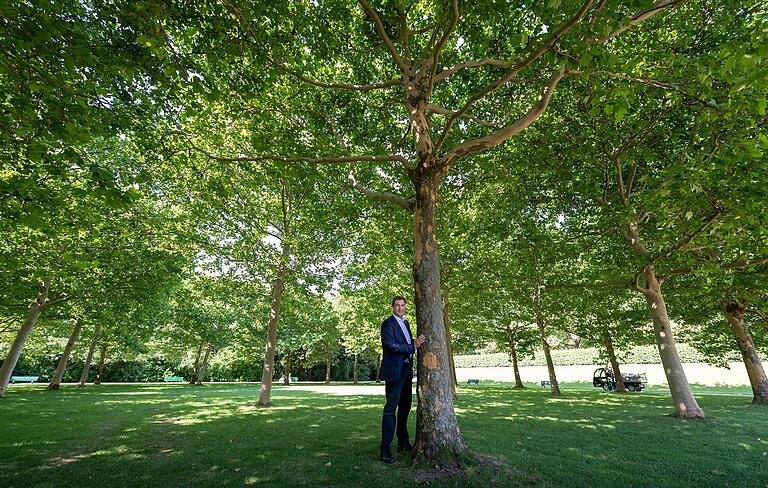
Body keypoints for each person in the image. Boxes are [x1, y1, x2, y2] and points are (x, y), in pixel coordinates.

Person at [379, 296, 425, 463]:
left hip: (406, 371)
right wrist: (413, 346)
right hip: (394, 372)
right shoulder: (387, 324)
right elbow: (391, 345)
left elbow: (404, 343)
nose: (400, 308)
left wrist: (413, 343)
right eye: (397, 305)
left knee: (405, 407)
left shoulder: (406, 324)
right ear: (392, 307)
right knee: (390, 410)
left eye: (402, 305)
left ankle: (403, 442)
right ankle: (385, 449)